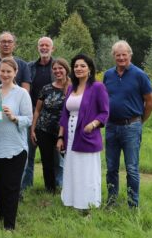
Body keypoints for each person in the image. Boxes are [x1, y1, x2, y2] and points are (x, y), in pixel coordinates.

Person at [0, 57, 32, 231]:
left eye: (9, 71)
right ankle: (1, 214)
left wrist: (14, 117)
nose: (5, 74)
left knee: (11, 187)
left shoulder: (22, 93)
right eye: (2, 71)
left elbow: (29, 119)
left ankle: (9, 226)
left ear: (15, 73)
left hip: (15, 148)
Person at [103, 41, 152, 208]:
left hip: (131, 126)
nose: (121, 57)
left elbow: (150, 102)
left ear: (130, 55)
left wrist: (140, 121)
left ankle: (133, 205)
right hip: (111, 127)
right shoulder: (108, 75)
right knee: (111, 167)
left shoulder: (140, 75)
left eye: (124, 54)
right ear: (114, 56)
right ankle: (111, 202)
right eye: (118, 55)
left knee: (131, 168)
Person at [57, 54, 109, 210]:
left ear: (90, 69)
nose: (78, 69)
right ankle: (73, 201)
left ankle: (89, 204)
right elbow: (64, 114)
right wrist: (60, 137)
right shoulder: (71, 87)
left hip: (87, 135)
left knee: (87, 171)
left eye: (82, 66)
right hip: (70, 135)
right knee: (72, 168)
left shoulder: (97, 87)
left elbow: (105, 112)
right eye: (76, 66)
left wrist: (93, 124)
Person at [24, 37, 64, 193]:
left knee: (56, 155)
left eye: (47, 45)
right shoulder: (29, 67)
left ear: (52, 48)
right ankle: (27, 185)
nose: (44, 47)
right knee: (29, 152)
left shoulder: (57, 66)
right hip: (33, 111)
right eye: (41, 45)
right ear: (37, 48)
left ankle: (58, 184)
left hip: (55, 115)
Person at [30, 58, 70, 193]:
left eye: (61, 68)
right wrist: (33, 129)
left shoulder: (72, 88)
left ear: (66, 69)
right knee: (47, 162)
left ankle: (68, 189)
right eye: (55, 69)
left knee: (66, 161)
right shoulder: (46, 88)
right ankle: (50, 190)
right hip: (44, 129)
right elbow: (37, 110)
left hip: (65, 130)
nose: (58, 71)